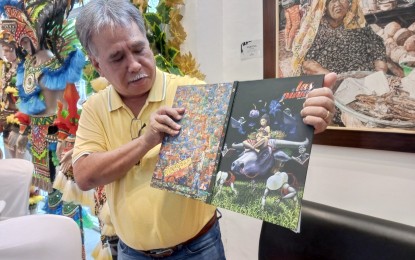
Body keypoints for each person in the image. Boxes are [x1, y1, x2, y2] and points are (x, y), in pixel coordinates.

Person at [73, 1, 336, 259]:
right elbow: (84, 175)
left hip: (198, 249)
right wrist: (146, 141)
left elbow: (242, 137)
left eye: (139, 49)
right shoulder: (96, 108)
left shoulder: (191, 92)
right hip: (132, 252)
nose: (133, 64)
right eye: (117, 58)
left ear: (148, 44)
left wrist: (305, 121)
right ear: (97, 65)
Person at [291, 0, 387, 76]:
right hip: (331, 83)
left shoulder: (357, 24)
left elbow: (377, 49)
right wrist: (331, 78)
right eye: (332, 1)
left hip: (364, 79)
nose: (338, 4)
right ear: (324, 5)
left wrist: (380, 72)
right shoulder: (316, 30)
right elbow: (307, 63)